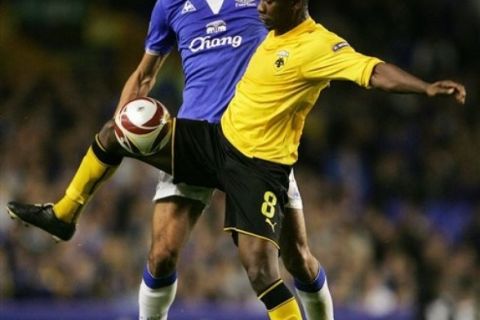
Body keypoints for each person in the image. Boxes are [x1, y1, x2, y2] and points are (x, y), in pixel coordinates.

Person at [7, 0, 467, 319]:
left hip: (257, 151)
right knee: (162, 251)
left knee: (295, 260)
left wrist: (424, 87)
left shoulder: (272, 11)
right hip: (199, 136)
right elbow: (145, 75)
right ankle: (65, 213)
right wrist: (126, 118)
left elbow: (354, 64)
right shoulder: (171, 6)